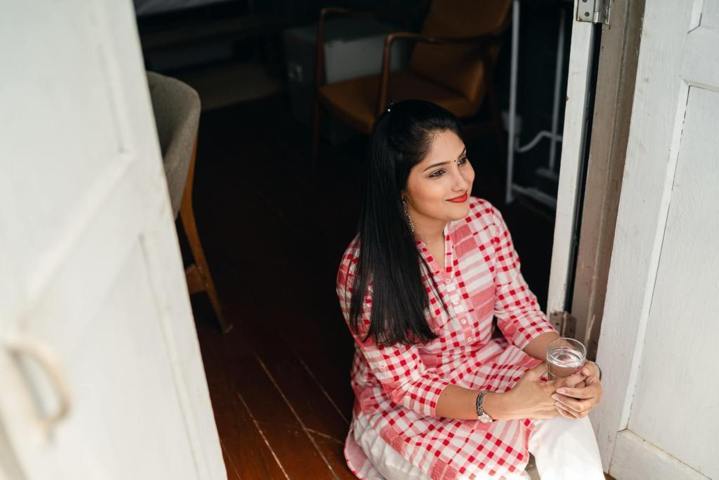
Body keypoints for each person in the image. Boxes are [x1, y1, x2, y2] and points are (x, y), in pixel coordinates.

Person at [336, 100, 605, 480]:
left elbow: (518, 312)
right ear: (397, 185)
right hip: (408, 409)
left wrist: (574, 367)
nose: (463, 181)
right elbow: (408, 385)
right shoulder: (364, 271)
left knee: (563, 406)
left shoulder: (485, 220)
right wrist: (502, 406)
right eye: (438, 173)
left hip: (485, 363)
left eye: (462, 161)